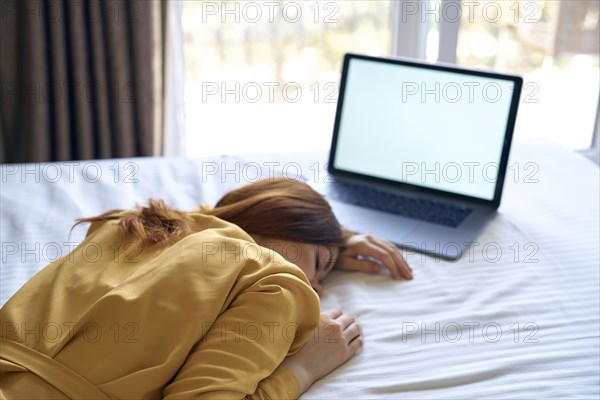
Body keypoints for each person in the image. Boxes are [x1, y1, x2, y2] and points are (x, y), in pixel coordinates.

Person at [0, 177, 412, 399]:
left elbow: (211, 216)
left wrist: (333, 237)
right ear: (282, 223)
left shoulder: (129, 226)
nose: (316, 290)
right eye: (321, 266)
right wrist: (302, 370)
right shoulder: (274, 282)